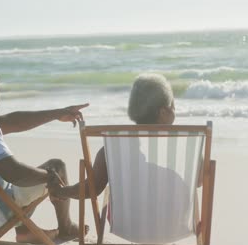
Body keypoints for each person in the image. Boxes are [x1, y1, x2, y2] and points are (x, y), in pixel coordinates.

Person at [0, 66, 89, 243]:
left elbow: (10, 122)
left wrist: (58, 113)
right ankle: (66, 228)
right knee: (56, 166)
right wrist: (50, 177)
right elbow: (15, 174)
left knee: (7, 175)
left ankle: (25, 230)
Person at [48, 73, 176, 200]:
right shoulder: (182, 145)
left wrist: (60, 192)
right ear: (163, 112)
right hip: (176, 219)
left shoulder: (116, 147)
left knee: (109, 195)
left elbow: (91, 189)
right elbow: (196, 182)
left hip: (126, 219)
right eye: (173, 106)